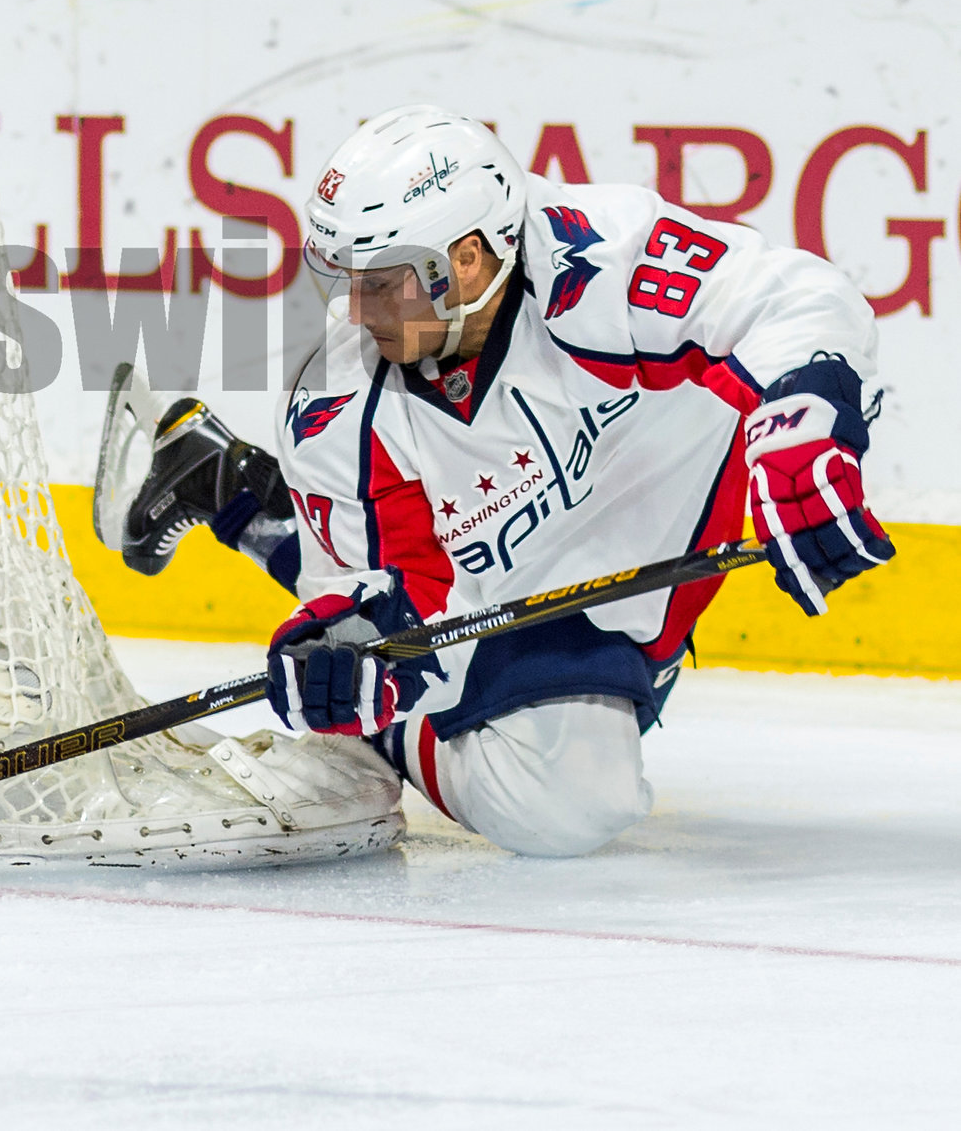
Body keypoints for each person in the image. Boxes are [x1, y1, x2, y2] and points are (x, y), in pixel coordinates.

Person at [111, 104, 888, 858]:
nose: (355, 307)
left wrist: (800, 433)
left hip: (662, 485)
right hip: (517, 588)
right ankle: (240, 500)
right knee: (567, 803)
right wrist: (362, 660)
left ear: (470, 259)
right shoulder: (337, 410)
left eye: (384, 281)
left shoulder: (605, 258)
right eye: (348, 276)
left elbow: (800, 298)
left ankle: (230, 488)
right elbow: (385, 590)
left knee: (823, 378)